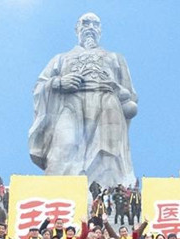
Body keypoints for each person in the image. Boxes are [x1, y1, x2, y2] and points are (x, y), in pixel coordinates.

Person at [28, 12, 138, 187]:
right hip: (71, 104)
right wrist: (59, 83)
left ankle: (108, 193)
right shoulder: (60, 59)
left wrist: (119, 91)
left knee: (108, 153)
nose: (91, 28)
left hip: (108, 106)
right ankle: (61, 194)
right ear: (77, 29)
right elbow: (39, 86)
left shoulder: (116, 58)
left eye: (95, 24)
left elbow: (131, 99)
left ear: (100, 30)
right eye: (86, 23)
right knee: (65, 146)